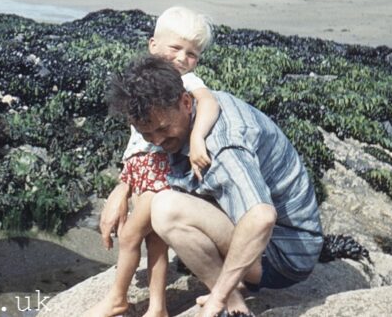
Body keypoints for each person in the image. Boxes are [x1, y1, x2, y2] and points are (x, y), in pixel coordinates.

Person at [104, 56, 323, 317]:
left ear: (185, 102)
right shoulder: (199, 105)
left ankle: (230, 301)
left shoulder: (221, 145)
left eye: (162, 129)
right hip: (267, 238)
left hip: (283, 254)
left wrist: (217, 297)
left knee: (166, 208)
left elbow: (262, 217)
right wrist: (122, 188)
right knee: (158, 197)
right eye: (147, 135)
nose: (157, 140)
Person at [87, 6, 220, 317]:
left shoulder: (187, 83)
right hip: (141, 168)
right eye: (175, 48)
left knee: (133, 234)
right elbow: (136, 138)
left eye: (192, 54)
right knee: (155, 240)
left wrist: (198, 137)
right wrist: (125, 181)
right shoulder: (141, 84)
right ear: (153, 45)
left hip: (162, 168)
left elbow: (209, 101)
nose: (182, 59)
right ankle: (157, 307)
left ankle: (117, 297)